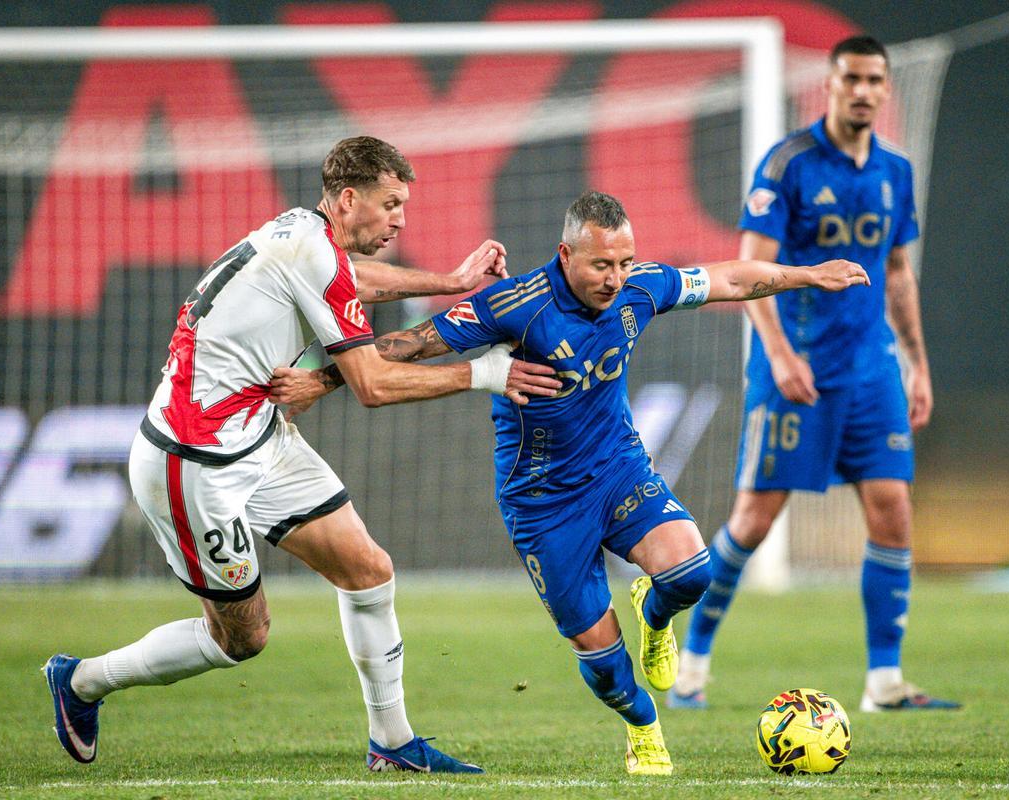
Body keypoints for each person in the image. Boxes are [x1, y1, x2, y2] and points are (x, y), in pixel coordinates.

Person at [272, 190, 867, 774]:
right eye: (601, 264)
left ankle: (654, 617)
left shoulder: (643, 288)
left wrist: (808, 273)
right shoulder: (515, 304)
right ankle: (643, 726)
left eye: (625, 262)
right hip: (542, 501)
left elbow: (730, 280)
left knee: (691, 573)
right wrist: (321, 382)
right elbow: (410, 344)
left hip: (616, 467)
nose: (615, 278)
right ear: (565, 255)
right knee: (605, 662)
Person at [43, 136, 562, 773]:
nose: (401, 217)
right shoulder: (310, 249)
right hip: (193, 462)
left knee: (368, 569)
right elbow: (371, 384)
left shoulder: (304, 234)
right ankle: (81, 681)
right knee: (242, 638)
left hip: (258, 433)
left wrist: (450, 282)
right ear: (349, 199)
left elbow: (353, 279)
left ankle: (392, 743)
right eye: (391, 202)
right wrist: (483, 373)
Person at [670, 35, 961, 713]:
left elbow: (895, 272)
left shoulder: (894, 171)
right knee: (753, 521)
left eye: (873, 81)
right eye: (850, 79)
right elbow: (750, 267)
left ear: (885, 91)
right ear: (827, 87)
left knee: (893, 510)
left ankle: (884, 682)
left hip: (872, 371)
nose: (862, 91)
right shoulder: (788, 163)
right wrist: (777, 352)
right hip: (796, 368)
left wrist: (917, 361)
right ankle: (691, 663)